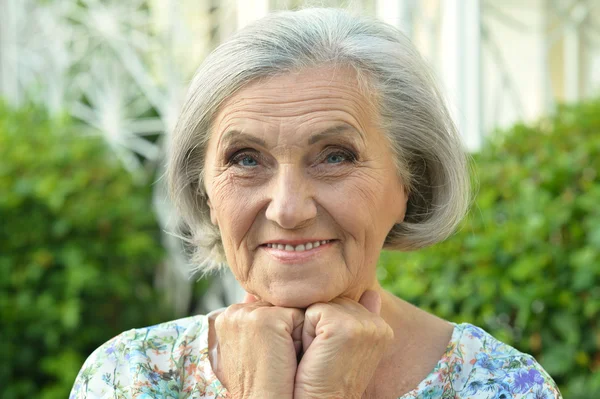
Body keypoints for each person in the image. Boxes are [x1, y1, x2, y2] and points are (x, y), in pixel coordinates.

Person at [70, 8, 561, 399]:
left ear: (411, 181)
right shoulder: (128, 376)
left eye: (334, 156)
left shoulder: (500, 385)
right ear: (205, 191)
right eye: (245, 159)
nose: (287, 209)